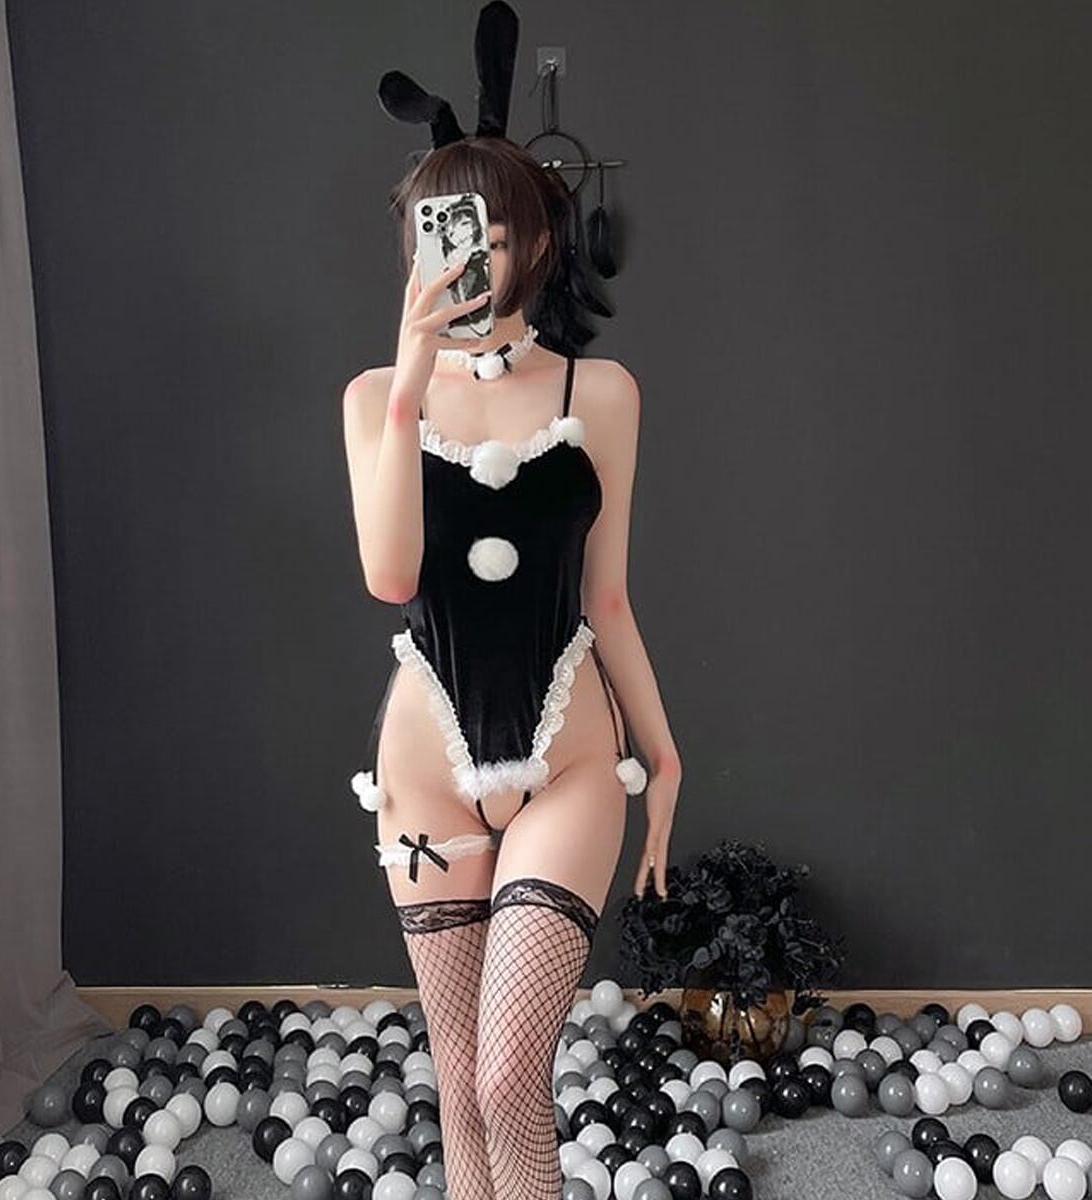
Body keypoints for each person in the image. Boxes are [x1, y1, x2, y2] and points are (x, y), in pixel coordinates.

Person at [341, 134, 682, 1200]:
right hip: (424, 770)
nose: (466, 266)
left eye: (488, 240)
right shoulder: (372, 399)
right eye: (442, 242)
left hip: (569, 760)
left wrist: (664, 755)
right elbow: (391, 578)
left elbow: (607, 598)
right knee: (457, 1077)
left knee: (507, 1078)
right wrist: (410, 385)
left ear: (534, 245)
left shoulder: (602, 392)